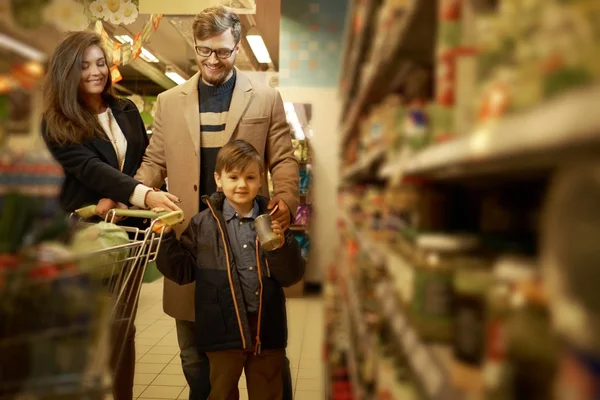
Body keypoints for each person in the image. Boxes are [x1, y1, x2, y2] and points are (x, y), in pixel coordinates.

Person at [130, 6, 300, 399]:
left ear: (237, 47)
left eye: (222, 52)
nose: (212, 60)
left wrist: (287, 201)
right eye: (204, 51)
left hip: (248, 238)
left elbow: (284, 158)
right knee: (195, 354)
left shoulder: (266, 98)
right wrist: (136, 194)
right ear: (195, 46)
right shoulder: (170, 101)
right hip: (194, 237)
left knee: (265, 347)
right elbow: (156, 160)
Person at [41, 31, 178, 400]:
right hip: (85, 239)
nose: (95, 71)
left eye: (100, 63)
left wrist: (128, 196)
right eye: (84, 65)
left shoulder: (127, 110)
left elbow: (145, 161)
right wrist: (142, 194)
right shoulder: (57, 123)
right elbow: (89, 168)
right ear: (67, 71)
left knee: (121, 328)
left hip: (130, 238)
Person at [155, 140, 305, 400]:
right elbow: (182, 271)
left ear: (261, 179)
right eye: (233, 177)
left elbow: (291, 275)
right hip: (222, 330)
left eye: (250, 177)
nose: (242, 185)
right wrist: (166, 237)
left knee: (269, 391)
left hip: (266, 329)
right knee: (221, 392)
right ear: (218, 179)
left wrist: (280, 247)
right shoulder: (202, 225)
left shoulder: (272, 221)